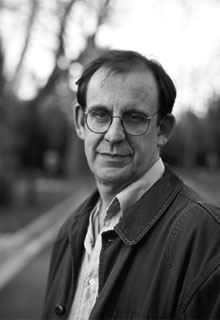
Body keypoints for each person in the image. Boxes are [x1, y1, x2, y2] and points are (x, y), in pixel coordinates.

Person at [41, 50, 220, 320]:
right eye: (100, 114)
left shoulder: (206, 238)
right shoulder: (70, 232)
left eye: (134, 118)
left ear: (163, 130)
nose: (113, 135)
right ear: (81, 122)